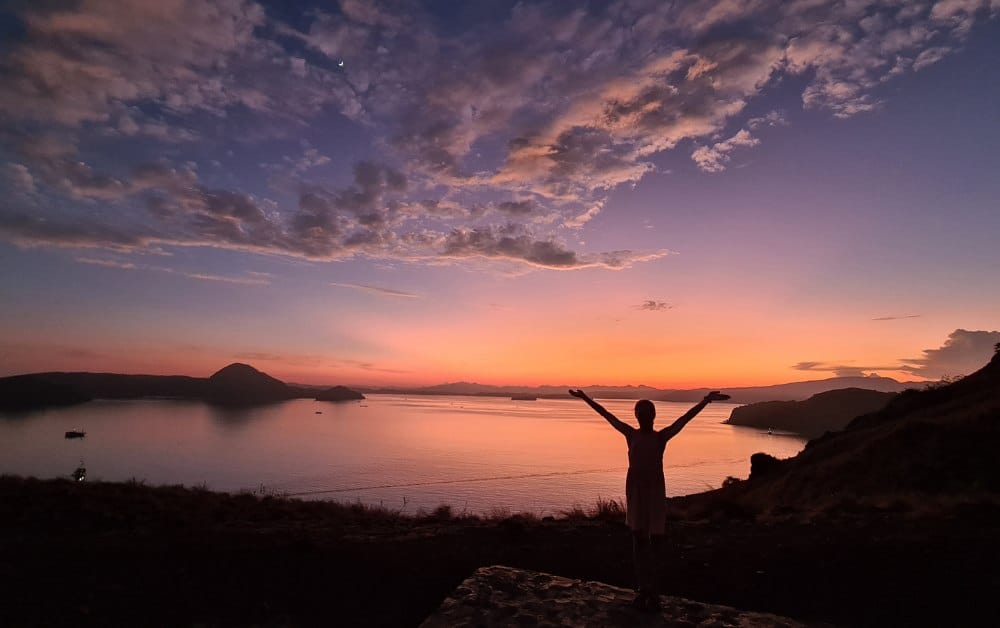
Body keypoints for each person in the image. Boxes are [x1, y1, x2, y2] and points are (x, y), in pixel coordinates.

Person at [568, 389, 730, 611]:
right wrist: (585, 398)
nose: (642, 416)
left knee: (655, 542)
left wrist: (705, 401)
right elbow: (606, 415)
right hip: (635, 490)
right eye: (640, 412)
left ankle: (653, 590)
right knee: (638, 540)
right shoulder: (630, 435)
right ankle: (643, 587)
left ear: (652, 415)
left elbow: (684, 419)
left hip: (653, 491)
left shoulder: (660, 437)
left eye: (646, 412)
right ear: (637, 416)